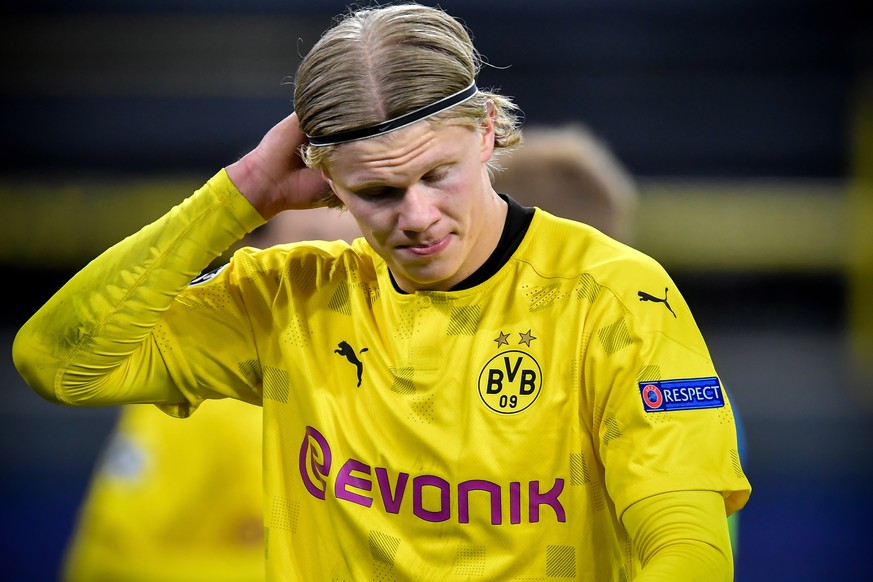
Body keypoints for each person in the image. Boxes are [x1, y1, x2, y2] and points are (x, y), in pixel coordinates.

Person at [13, 3, 751, 580]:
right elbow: (58, 363)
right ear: (325, 183)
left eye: (437, 174)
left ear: (488, 130)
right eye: (376, 191)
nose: (417, 217)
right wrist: (239, 196)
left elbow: (688, 543)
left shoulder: (615, 297)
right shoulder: (286, 301)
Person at [60, 208, 359, 582]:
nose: (341, 272)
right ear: (249, 257)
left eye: (359, 250)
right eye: (314, 250)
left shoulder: (388, 388)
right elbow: (104, 567)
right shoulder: (201, 397)